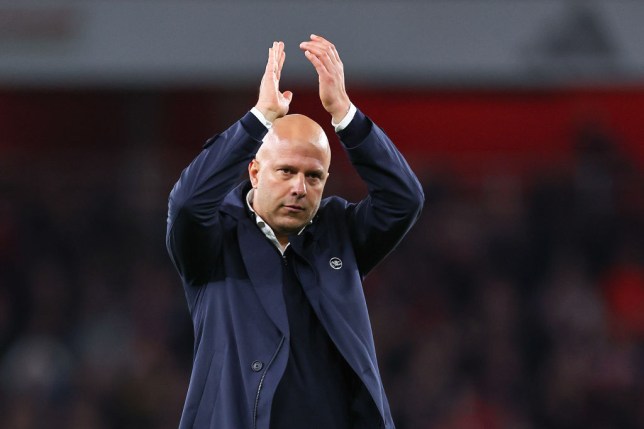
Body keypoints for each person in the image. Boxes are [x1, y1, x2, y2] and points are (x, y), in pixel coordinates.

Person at [166, 35, 424, 429]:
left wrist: (346, 115)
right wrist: (259, 119)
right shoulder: (214, 243)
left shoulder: (340, 234)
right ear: (255, 171)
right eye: (286, 171)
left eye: (314, 176)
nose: (299, 188)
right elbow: (187, 203)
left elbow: (404, 199)